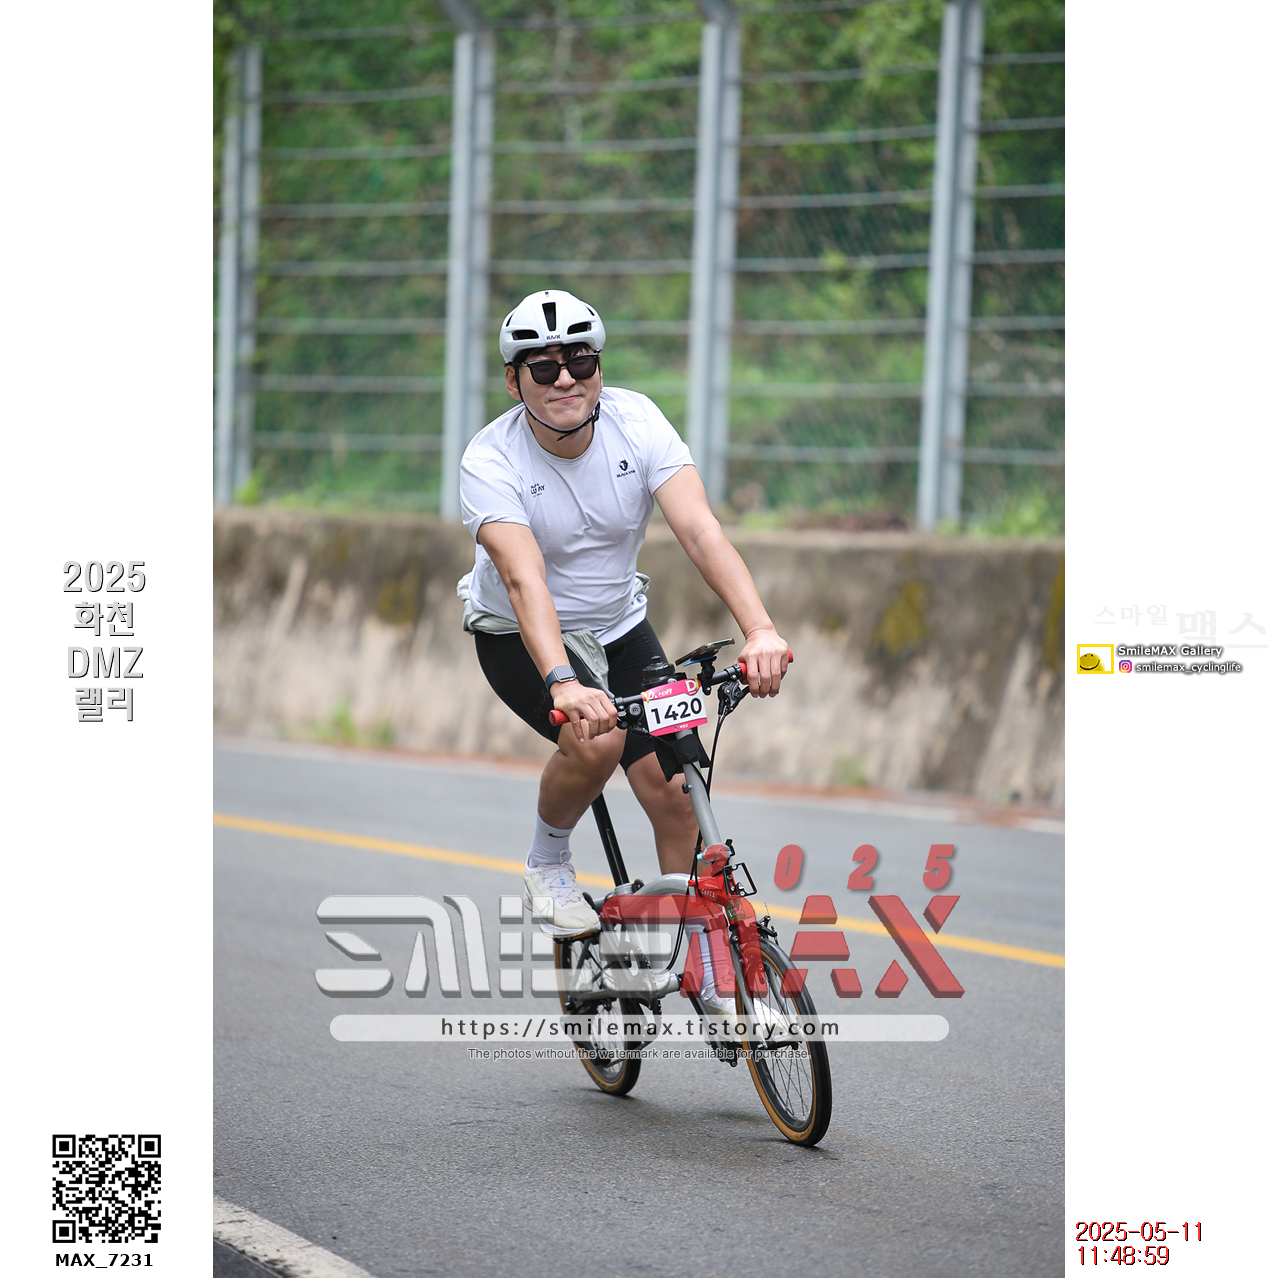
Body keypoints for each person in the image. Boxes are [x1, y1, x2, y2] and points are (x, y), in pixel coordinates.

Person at [458, 289, 789, 1013]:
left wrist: (760, 628)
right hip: (519, 634)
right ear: (514, 382)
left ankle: (704, 969)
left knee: (679, 795)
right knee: (597, 740)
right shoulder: (490, 458)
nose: (566, 379)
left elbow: (700, 531)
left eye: (580, 361)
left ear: (599, 368)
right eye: (543, 368)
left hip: (618, 627)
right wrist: (562, 682)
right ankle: (548, 862)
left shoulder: (638, 424)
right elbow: (523, 579)